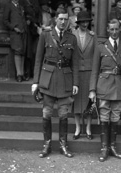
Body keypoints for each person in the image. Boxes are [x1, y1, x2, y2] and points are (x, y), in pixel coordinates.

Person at [31, 9, 80, 158]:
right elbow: (38, 60)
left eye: (65, 19)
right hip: (48, 80)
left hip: (65, 79)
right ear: (55, 20)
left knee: (63, 114)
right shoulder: (45, 35)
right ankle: (47, 144)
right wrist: (35, 82)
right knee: (46, 113)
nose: (63, 22)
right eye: (60, 19)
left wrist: (75, 83)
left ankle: (63, 144)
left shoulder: (72, 38)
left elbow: (75, 63)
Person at [89, 19, 121, 162]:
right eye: (111, 29)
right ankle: (104, 148)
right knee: (104, 117)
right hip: (104, 87)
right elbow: (95, 70)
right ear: (108, 30)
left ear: (120, 29)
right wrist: (92, 90)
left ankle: (113, 147)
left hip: (119, 87)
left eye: (116, 29)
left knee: (115, 117)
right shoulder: (101, 47)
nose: (114, 32)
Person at [71, 11, 95, 141]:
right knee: (76, 103)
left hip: (89, 72)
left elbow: (96, 55)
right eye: (83, 22)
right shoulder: (72, 35)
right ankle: (78, 128)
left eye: (87, 22)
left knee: (89, 102)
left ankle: (88, 129)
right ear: (78, 23)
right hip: (76, 73)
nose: (85, 24)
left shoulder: (93, 36)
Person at [3, 0, 27, 82]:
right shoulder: (8, 5)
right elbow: (5, 20)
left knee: (22, 52)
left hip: (23, 32)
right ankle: (19, 74)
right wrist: (14, 28)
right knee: (17, 51)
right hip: (15, 33)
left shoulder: (20, 6)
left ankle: (22, 73)